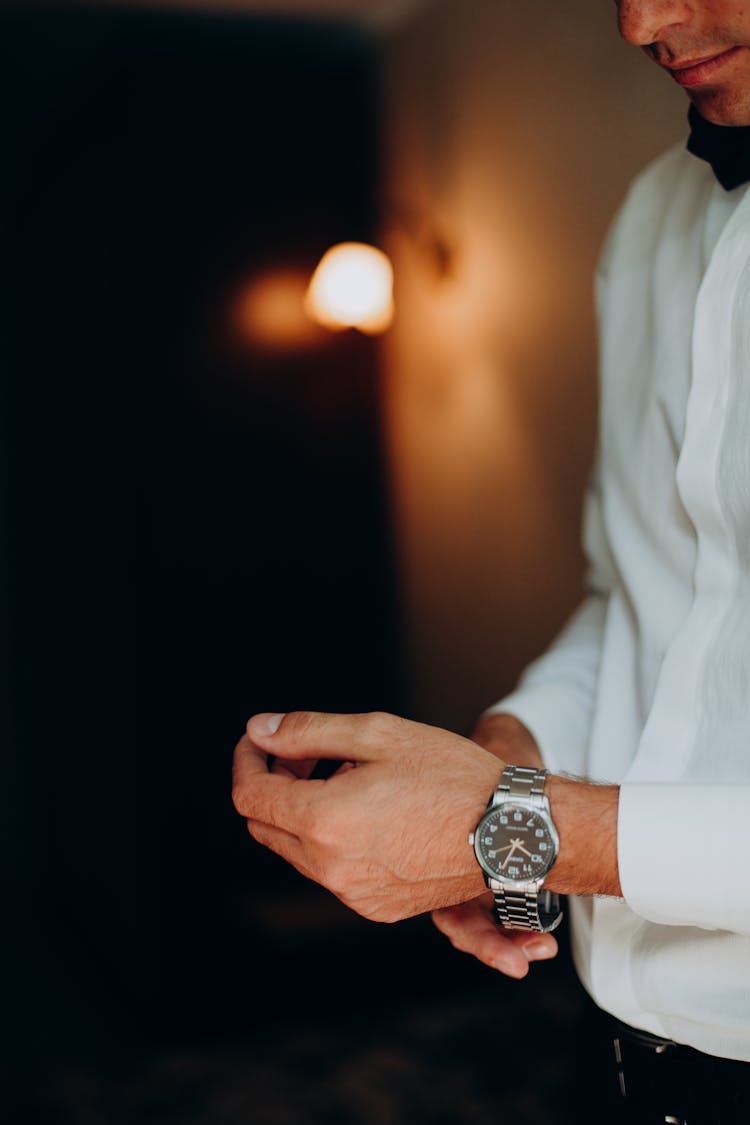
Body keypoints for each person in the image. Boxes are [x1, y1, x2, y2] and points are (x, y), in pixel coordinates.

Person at [232, 3, 750, 1121]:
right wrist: (501, 771)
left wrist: (519, 828)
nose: (641, 21)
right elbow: (642, 594)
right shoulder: (655, 214)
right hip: (621, 1055)